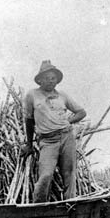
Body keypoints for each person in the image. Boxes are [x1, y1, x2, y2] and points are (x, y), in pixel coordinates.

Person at [21, 60, 87, 203]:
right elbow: (28, 120)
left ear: (57, 80)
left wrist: (67, 122)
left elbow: (81, 112)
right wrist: (29, 144)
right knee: (45, 175)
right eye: (47, 78)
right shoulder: (32, 95)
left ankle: (70, 205)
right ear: (39, 80)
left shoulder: (62, 95)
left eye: (53, 78)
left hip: (66, 136)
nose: (50, 81)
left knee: (69, 173)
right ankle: (39, 208)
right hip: (47, 140)